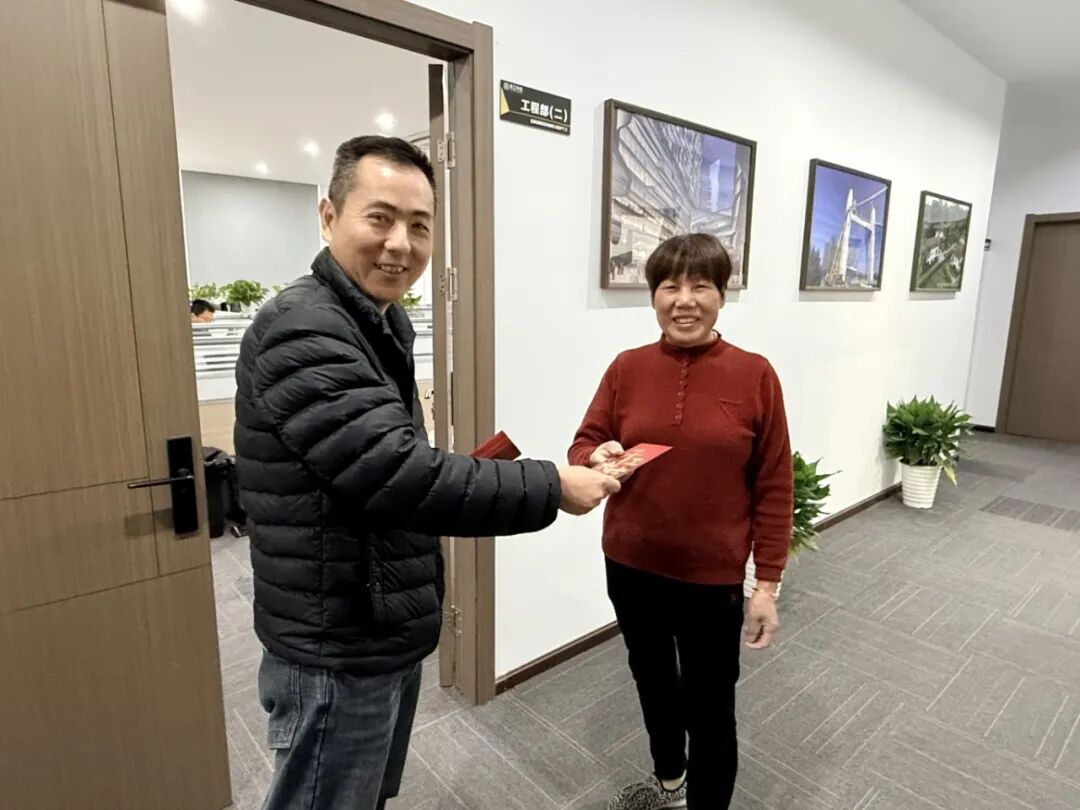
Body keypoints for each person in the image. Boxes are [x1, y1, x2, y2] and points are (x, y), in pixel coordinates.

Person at [233, 135, 619, 810]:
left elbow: (378, 463)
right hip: (336, 642)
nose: (400, 245)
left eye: (419, 226)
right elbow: (396, 474)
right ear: (328, 216)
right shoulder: (304, 327)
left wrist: (466, 469)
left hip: (373, 617)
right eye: (379, 218)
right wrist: (552, 486)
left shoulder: (373, 321)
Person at [568, 233, 793, 810]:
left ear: (722, 296)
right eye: (670, 286)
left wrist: (766, 586)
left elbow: (774, 487)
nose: (684, 300)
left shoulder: (755, 374)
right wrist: (595, 454)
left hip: (711, 579)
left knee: (711, 704)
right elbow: (585, 441)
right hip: (630, 563)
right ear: (654, 296)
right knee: (651, 679)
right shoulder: (627, 368)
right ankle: (670, 779)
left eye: (701, 286)